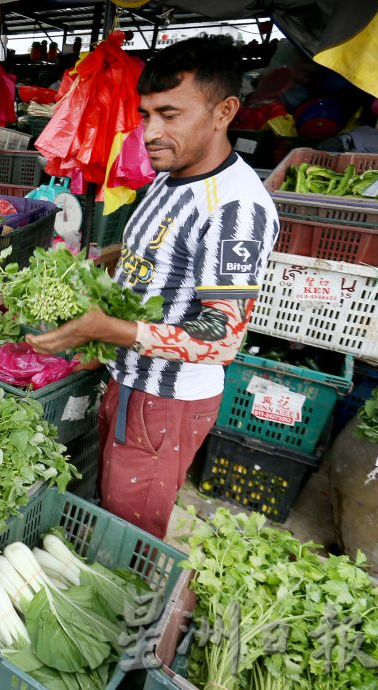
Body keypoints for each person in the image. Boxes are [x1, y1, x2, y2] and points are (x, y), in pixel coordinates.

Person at [26, 36, 279, 539]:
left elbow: (221, 337)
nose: (151, 132)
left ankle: (133, 611)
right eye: (145, 115)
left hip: (166, 404)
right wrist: (91, 268)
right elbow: (154, 249)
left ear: (223, 111)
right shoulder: (172, 174)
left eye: (170, 113)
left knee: (131, 533)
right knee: (110, 503)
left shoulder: (236, 209)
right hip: (128, 381)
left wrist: (105, 329)